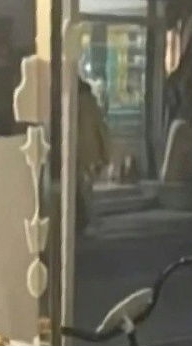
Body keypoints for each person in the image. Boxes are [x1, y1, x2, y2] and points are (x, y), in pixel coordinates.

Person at [76, 78, 110, 233]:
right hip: (90, 152)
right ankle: (89, 220)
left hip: (76, 152)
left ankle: (86, 220)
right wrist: (105, 154)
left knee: (81, 187)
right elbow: (101, 128)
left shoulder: (69, 102)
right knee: (86, 188)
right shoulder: (91, 104)